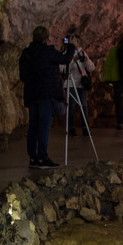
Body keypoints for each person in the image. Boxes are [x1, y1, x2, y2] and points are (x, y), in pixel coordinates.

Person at [19, 26, 74, 168]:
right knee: (44, 126)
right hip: (46, 94)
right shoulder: (48, 52)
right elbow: (66, 59)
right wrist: (72, 46)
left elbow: (22, 76)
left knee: (33, 127)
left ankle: (33, 158)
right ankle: (43, 157)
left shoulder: (26, 53)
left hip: (32, 95)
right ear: (46, 38)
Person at [63, 42, 96, 136]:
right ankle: (71, 128)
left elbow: (91, 68)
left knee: (84, 106)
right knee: (72, 105)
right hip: (71, 83)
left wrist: (86, 60)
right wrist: (73, 60)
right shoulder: (65, 53)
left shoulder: (82, 53)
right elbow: (64, 69)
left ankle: (85, 128)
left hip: (82, 84)